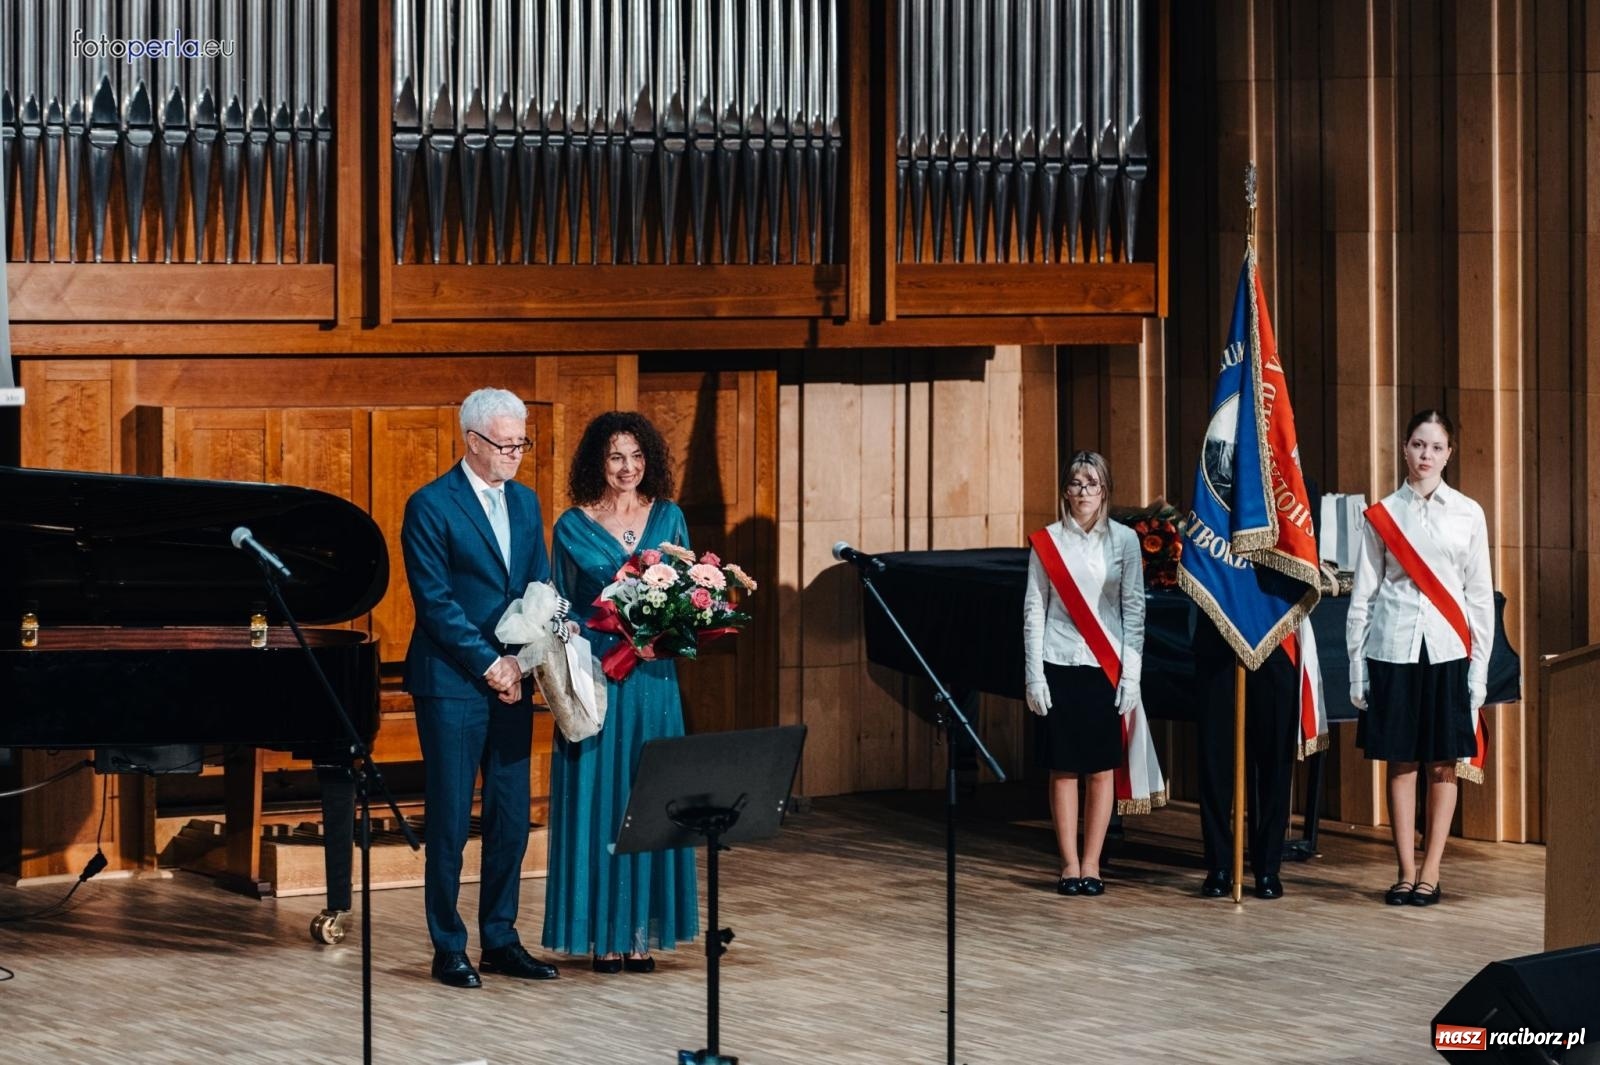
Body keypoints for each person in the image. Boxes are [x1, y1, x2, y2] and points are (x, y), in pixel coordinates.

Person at [401, 387, 561, 988]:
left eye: (522, 441)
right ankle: (448, 946)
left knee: (510, 816)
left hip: (513, 680)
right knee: (448, 819)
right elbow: (435, 604)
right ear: (472, 441)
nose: (516, 453)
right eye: (505, 443)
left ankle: (500, 937)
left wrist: (520, 663)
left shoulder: (525, 502)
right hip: (452, 683)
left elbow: (538, 589)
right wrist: (489, 664)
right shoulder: (430, 505)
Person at [542, 411, 699, 972]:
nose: (627, 467)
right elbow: (557, 607)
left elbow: (691, 600)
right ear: (596, 464)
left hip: (654, 684)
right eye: (615, 456)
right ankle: (603, 935)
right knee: (600, 802)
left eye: (635, 455)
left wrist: (667, 637)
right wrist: (589, 636)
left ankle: (640, 934)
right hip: (600, 680)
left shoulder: (670, 517)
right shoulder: (571, 525)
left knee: (649, 800)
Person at [1347, 409, 1492, 907]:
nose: (1425, 455)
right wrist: (1355, 666)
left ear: (1449, 453)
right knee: (1402, 761)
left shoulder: (1469, 513)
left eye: (1435, 447)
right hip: (1393, 649)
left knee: (1442, 765)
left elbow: (1479, 599)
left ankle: (1432, 871)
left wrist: (1480, 675)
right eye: (1417, 444)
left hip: (1450, 650)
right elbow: (1362, 596)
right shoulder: (1384, 513)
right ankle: (1405, 871)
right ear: (1404, 449)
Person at [1022, 451, 1158, 897]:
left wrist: (1131, 676)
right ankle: (1068, 863)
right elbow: (1034, 608)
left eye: (1093, 483)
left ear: (1105, 491)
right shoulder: (1048, 542)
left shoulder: (1123, 540)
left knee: (1100, 768)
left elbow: (1134, 610)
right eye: (1077, 483)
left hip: (1105, 666)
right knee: (1063, 768)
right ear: (1065, 490)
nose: (1084, 491)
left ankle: (1094, 864)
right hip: (1059, 662)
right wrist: (1033, 674)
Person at [1192, 617, 1301, 900]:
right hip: (1218, 636)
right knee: (1215, 756)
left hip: (1274, 633)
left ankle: (1268, 866)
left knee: (1275, 757)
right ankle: (1218, 865)